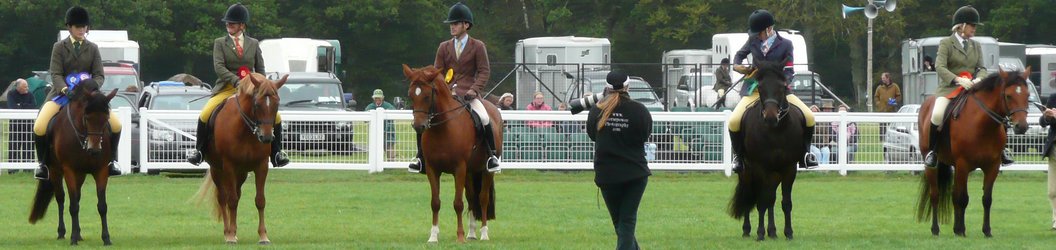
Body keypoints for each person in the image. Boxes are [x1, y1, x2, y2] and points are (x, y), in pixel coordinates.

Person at [187, 3, 290, 168]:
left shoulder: (254, 43)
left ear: (242, 25)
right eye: (227, 23)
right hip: (227, 87)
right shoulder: (220, 43)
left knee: (276, 117)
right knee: (205, 114)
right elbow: (219, 67)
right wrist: (236, 81)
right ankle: (199, 151)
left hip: (251, 90)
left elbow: (260, 68)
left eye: (232, 23)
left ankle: (277, 153)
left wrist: (261, 85)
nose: (228, 26)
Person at [33, 6, 122, 180]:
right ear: (70, 27)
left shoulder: (93, 48)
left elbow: (99, 75)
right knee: (40, 126)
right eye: (78, 27)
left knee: (117, 125)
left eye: (84, 27)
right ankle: (43, 165)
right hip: (62, 94)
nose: (82, 30)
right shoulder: (59, 47)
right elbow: (56, 73)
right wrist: (65, 89)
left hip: (89, 97)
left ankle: (111, 161)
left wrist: (90, 87)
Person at [409, 2, 500, 174]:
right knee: (423, 119)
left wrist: (474, 89)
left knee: (484, 117)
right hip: (446, 93)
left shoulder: (478, 46)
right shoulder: (444, 47)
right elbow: (437, 72)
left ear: (466, 25)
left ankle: (491, 156)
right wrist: (444, 88)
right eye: (451, 24)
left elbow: (484, 71)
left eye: (456, 23)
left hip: (469, 94)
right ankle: (420, 158)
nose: (452, 27)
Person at [728, 9, 818, 173]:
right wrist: (738, 66)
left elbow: (789, 70)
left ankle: (806, 154)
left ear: (769, 29)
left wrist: (783, 84)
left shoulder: (785, 44)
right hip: (755, 89)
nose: (757, 36)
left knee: (810, 117)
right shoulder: (753, 40)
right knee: (733, 121)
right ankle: (739, 157)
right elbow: (739, 56)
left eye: (759, 32)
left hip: (779, 91)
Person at [924, 5, 1013, 167]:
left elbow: (982, 68)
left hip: (972, 89)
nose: (975, 29)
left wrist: (979, 79)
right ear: (961, 26)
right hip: (950, 88)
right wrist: (958, 80)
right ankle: (933, 151)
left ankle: (1002, 150)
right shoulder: (946, 43)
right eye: (972, 25)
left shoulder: (976, 45)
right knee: (937, 114)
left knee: (997, 112)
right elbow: (940, 67)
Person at [586, 71, 652, 250]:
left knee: (620, 223)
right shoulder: (640, 110)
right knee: (626, 222)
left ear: (606, 88)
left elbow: (593, 136)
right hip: (635, 174)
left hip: (607, 174)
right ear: (627, 87)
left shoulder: (596, 110)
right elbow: (644, 136)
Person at [1040, 80, 1056, 230]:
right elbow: (1042, 122)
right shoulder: (1053, 97)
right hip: (1054, 149)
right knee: (1052, 190)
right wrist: (1047, 116)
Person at [8, 79, 36, 166]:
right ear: (18, 87)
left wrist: (21, 105)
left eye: (27, 86)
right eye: (25, 87)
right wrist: (25, 106)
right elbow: (12, 107)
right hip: (15, 125)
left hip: (28, 125)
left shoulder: (30, 94)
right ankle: (13, 168)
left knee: (28, 146)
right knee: (14, 146)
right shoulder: (11, 94)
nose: (27, 88)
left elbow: (34, 106)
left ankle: (28, 167)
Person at [365, 89, 397, 159]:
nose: (377, 99)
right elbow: (365, 119)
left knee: (390, 152)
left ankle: (390, 166)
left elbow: (395, 113)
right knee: (376, 153)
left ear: (382, 98)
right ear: (373, 98)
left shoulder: (388, 106)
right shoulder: (370, 106)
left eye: (379, 98)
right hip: (375, 134)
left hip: (388, 133)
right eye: (376, 98)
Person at [874, 72, 901, 137]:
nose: (882, 79)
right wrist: (878, 103)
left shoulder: (895, 86)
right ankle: (882, 140)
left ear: (888, 78)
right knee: (882, 127)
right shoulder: (879, 87)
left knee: (891, 127)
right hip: (881, 111)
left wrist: (893, 102)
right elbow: (876, 96)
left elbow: (899, 96)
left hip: (891, 111)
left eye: (884, 78)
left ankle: (890, 139)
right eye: (882, 78)